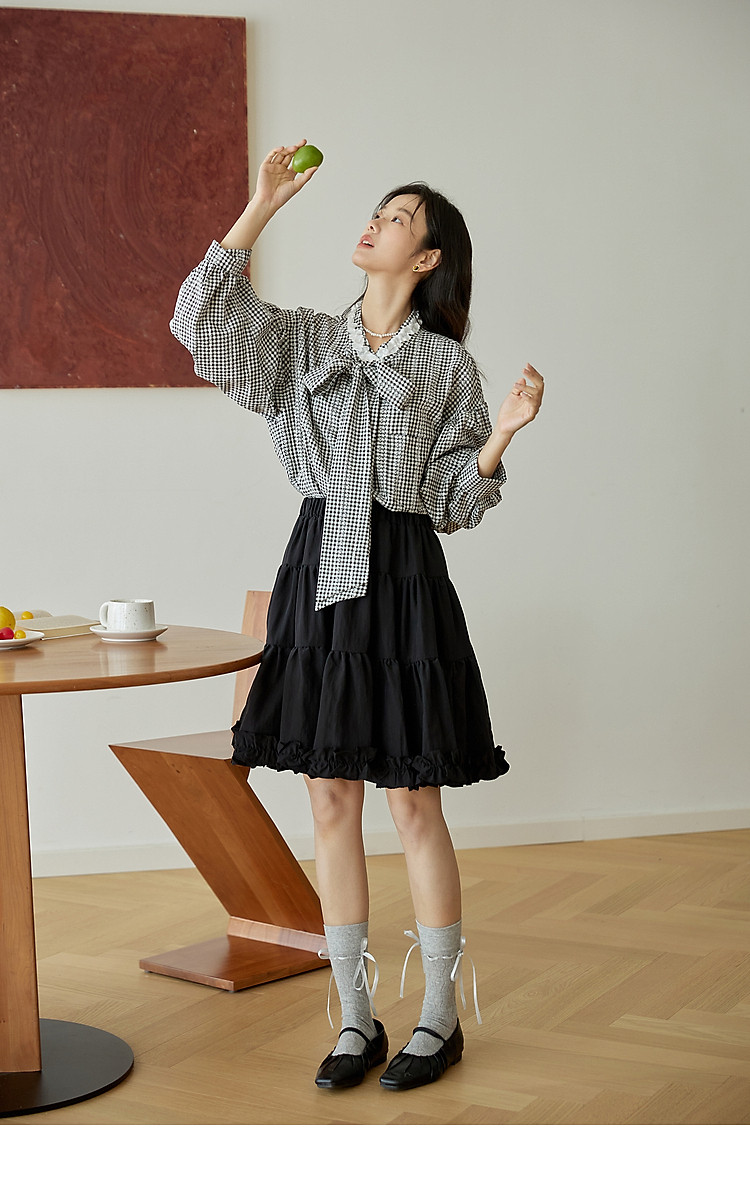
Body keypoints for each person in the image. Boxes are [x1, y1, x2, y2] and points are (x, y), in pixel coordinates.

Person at [171, 140, 543, 1092]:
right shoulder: (301, 343)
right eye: (377, 209)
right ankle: (353, 1017)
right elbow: (198, 320)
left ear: (428, 257)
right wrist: (261, 206)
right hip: (317, 572)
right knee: (330, 797)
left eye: (398, 217)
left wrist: (500, 436)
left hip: (404, 575)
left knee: (413, 799)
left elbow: (453, 499)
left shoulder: (447, 369)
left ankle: (439, 1016)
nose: (375, 221)